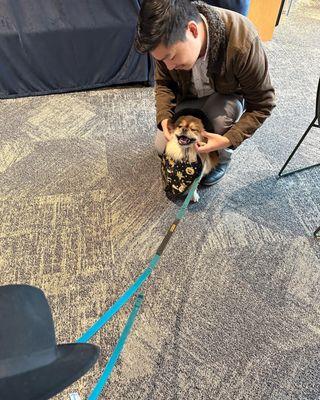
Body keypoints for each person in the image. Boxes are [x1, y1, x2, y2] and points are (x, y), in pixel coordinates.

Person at [135, 0, 275, 185]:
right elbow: (163, 84)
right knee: (162, 146)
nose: (168, 66)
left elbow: (263, 104)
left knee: (216, 126)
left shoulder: (243, 41)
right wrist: (164, 118)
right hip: (189, 94)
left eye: (172, 57)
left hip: (227, 95)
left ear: (192, 30)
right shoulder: (164, 42)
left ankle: (223, 159)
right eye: (162, 60)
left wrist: (228, 140)